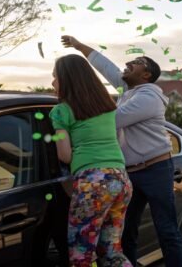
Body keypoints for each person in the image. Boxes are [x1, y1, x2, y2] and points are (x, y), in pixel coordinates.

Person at [61, 36, 182, 267]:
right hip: (129, 173)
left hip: (155, 170)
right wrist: (79, 46)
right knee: (125, 233)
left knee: (167, 230)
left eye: (137, 61)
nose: (129, 62)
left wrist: (68, 113)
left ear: (146, 74)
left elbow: (112, 120)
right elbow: (105, 65)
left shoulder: (149, 96)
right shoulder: (127, 89)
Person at [50, 54, 132, 267]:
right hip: (121, 180)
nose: (52, 83)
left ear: (67, 80)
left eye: (55, 77)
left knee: (81, 256)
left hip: (93, 185)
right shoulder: (109, 107)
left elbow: (64, 155)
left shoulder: (61, 111)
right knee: (112, 252)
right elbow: (118, 141)